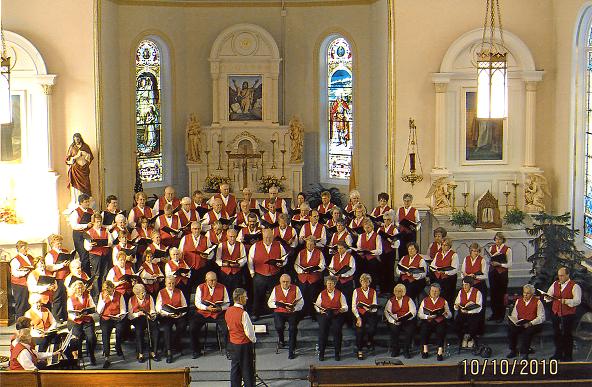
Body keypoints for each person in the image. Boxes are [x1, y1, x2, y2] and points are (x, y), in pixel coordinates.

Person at [248, 228, 287, 320]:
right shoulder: (255, 246)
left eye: (270, 237)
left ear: (273, 237)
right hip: (260, 275)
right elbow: (250, 260)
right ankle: (255, 313)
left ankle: (278, 315)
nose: (268, 239)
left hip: (275, 275)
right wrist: (252, 272)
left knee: (276, 296)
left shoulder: (279, 245)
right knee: (258, 295)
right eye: (266, 237)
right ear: (262, 236)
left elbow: (285, 258)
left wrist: (282, 263)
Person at [544, 267, 582, 361]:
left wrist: (566, 301)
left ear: (567, 275)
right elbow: (549, 294)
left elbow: (577, 301)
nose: (559, 277)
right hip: (556, 313)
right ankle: (558, 354)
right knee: (557, 334)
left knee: (567, 335)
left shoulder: (574, 286)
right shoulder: (555, 284)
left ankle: (568, 356)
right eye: (559, 275)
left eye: (562, 275)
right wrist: (547, 297)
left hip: (568, 314)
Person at [190, 272, 230, 358]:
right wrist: (207, 308)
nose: (213, 282)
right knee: (192, 328)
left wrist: (220, 308)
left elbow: (227, 303)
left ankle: (228, 350)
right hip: (203, 312)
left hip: (218, 313)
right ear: (206, 280)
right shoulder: (200, 287)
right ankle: (196, 351)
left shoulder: (222, 287)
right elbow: (197, 303)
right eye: (211, 280)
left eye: (215, 280)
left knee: (227, 329)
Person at [225, 288, 256, 387]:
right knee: (247, 370)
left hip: (233, 344)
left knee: (235, 369)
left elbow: (229, 326)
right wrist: (254, 340)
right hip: (244, 345)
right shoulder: (243, 313)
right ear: (240, 298)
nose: (247, 298)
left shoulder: (228, 310)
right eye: (245, 296)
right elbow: (249, 332)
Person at [267, 274, 303, 359]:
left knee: (292, 328)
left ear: (290, 282)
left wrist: (295, 308)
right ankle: (281, 339)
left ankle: (291, 350)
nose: (285, 284)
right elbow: (270, 303)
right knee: (279, 327)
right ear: (280, 282)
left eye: (287, 282)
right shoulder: (276, 289)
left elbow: (301, 302)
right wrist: (279, 306)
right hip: (280, 312)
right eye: (283, 282)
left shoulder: (296, 288)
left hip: (292, 312)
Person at [507, 284, 545, 360]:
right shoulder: (518, 301)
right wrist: (515, 321)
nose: (525, 295)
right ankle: (513, 350)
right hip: (521, 322)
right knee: (511, 330)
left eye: (527, 293)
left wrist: (530, 323)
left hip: (533, 323)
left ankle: (525, 353)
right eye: (524, 292)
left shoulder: (538, 302)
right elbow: (514, 314)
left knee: (527, 332)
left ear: (532, 294)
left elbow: (541, 317)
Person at [314, 276, 348, 361]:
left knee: (337, 331)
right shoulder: (322, 293)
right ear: (326, 284)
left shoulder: (340, 294)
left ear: (334, 284)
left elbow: (345, 306)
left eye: (331, 284)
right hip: (325, 314)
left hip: (336, 315)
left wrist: (342, 309)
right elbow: (317, 305)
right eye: (328, 283)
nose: (329, 285)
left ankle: (337, 352)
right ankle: (321, 352)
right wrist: (319, 310)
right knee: (322, 331)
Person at [156, 276, 188, 363]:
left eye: (173, 283)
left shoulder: (179, 292)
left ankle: (175, 342)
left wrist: (181, 313)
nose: (171, 285)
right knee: (167, 329)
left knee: (183, 325)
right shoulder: (161, 292)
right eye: (169, 283)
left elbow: (184, 306)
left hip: (178, 316)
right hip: (166, 316)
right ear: (165, 283)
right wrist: (168, 314)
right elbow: (158, 308)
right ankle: (169, 351)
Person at [418, 283, 452, 361]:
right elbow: (420, 314)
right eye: (432, 291)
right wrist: (427, 317)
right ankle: (425, 349)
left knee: (441, 330)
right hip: (428, 320)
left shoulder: (444, 301)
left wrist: (446, 314)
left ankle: (440, 351)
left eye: (436, 291)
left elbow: (450, 315)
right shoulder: (425, 300)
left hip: (439, 321)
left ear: (439, 292)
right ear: (429, 291)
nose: (434, 293)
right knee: (424, 329)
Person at [97, 280, 126, 368]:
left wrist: (120, 316)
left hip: (116, 318)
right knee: (105, 335)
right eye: (105, 290)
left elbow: (123, 309)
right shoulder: (102, 295)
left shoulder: (119, 295)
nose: (107, 292)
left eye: (109, 290)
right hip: (106, 318)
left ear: (113, 288)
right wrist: (103, 301)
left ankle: (118, 345)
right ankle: (107, 357)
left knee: (120, 329)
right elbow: (99, 311)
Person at [294, 237, 326, 319]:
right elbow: (296, 264)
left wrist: (315, 269)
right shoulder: (301, 252)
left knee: (313, 296)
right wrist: (302, 271)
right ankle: (302, 313)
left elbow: (322, 265)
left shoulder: (319, 253)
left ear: (315, 245)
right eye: (308, 244)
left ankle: (313, 314)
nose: (309, 246)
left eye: (311, 244)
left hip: (314, 277)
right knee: (302, 295)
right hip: (303, 277)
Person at [67, 280, 97, 365]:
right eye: (78, 288)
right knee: (77, 338)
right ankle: (79, 357)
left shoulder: (88, 296)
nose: (79, 290)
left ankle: (91, 354)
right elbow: (70, 313)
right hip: (76, 321)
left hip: (87, 320)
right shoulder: (70, 299)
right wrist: (76, 317)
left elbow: (93, 307)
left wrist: (89, 312)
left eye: (81, 288)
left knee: (91, 337)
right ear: (75, 289)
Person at [128, 283, 160, 362]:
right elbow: (130, 315)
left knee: (155, 330)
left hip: (148, 317)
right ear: (136, 293)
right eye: (141, 293)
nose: (144, 294)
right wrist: (138, 314)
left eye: (144, 292)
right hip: (138, 319)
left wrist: (151, 315)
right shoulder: (131, 299)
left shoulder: (149, 297)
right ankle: (140, 353)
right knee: (139, 331)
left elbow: (152, 309)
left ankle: (154, 352)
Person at [84, 213, 113, 297]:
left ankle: (104, 294)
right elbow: (86, 247)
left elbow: (110, 242)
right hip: (95, 255)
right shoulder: (89, 232)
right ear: (93, 222)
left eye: (100, 222)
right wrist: (91, 245)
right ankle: (96, 296)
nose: (99, 224)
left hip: (105, 254)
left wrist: (106, 243)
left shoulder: (106, 230)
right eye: (97, 222)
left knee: (104, 274)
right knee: (96, 275)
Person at [461, 243, 488, 334]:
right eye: (473, 251)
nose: (475, 253)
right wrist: (466, 276)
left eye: (477, 251)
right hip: (468, 286)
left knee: (479, 307)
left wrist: (475, 276)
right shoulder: (466, 259)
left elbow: (485, 275)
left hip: (479, 285)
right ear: (470, 251)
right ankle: (468, 330)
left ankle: (479, 330)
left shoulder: (482, 260)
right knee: (468, 306)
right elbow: (463, 272)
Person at [384, 284, 416, 358]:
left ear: (403, 292)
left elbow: (413, 312)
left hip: (407, 320)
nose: (397, 293)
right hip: (395, 320)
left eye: (399, 291)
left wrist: (405, 318)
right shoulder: (391, 300)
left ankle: (406, 350)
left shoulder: (408, 299)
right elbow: (387, 312)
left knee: (410, 330)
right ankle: (395, 349)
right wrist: (393, 321)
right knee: (394, 329)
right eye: (396, 291)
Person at [352, 273, 379, 360]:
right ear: (360, 282)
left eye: (367, 282)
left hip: (370, 313)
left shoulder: (373, 291)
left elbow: (375, 305)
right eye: (363, 282)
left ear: (369, 282)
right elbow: (353, 306)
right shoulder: (356, 291)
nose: (365, 284)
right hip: (359, 313)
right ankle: (360, 350)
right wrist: (358, 317)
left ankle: (369, 341)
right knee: (360, 330)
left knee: (372, 329)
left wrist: (370, 309)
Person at [44, 234, 70, 322]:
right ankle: (57, 318)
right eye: (57, 243)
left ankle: (66, 316)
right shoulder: (50, 254)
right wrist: (62, 265)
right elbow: (49, 267)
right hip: (57, 278)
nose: (59, 245)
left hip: (67, 276)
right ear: (52, 244)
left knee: (65, 297)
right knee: (57, 298)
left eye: (60, 243)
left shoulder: (65, 251)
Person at [179, 221, 211, 291]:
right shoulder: (184, 238)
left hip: (201, 268)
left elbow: (211, 253)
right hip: (188, 268)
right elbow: (180, 253)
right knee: (187, 289)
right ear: (191, 229)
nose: (197, 230)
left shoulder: (206, 239)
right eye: (195, 229)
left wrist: (207, 256)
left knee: (201, 289)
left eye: (198, 229)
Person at [488, 232, 512, 322]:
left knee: (501, 294)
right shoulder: (491, 248)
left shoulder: (507, 250)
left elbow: (509, 264)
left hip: (502, 274)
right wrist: (490, 262)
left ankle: (501, 315)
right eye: (496, 239)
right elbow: (489, 260)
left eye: (500, 239)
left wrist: (500, 264)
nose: (497, 241)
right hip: (493, 273)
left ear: (503, 240)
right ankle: (494, 314)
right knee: (493, 294)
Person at [216, 228, 247, 297]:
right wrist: (224, 264)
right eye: (231, 236)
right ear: (227, 236)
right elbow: (217, 259)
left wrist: (239, 264)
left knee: (236, 292)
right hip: (224, 273)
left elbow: (244, 258)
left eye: (234, 237)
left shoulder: (240, 245)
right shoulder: (221, 245)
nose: (232, 238)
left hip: (236, 272)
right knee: (225, 292)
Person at [429, 237, 458, 309]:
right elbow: (432, 265)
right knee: (438, 297)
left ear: (449, 246)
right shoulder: (438, 254)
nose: (444, 246)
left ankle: (449, 315)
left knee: (448, 298)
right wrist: (435, 269)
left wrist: (445, 272)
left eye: (446, 245)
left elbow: (455, 270)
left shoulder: (454, 255)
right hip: (439, 278)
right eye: (442, 245)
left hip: (449, 279)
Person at [454, 277, 483, 349]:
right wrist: (457, 306)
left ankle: (471, 338)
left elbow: (479, 308)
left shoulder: (477, 292)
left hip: (473, 314)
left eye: (466, 285)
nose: (464, 286)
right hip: (462, 313)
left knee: (473, 325)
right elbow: (456, 303)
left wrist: (469, 311)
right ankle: (463, 338)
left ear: (471, 285)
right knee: (456, 323)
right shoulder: (461, 292)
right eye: (463, 285)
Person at [69, 193, 94, 274]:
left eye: (88, 202)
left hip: (88, 235)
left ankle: (89, 275)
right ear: (80, 203)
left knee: (90, 255)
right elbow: (74, 225)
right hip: (79, 236)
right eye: (86, 202)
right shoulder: (75, 212)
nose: (88, 203)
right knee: (84, 256)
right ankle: (85, 275)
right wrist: (86, 225)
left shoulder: (91, 211)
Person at [66, 133, 94, 203]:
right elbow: (67, 159)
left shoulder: (85, 146)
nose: (77, 141)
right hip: (75, 170)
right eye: (75, 139)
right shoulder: (72, 147)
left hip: (84, 170)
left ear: (80, 138)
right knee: (76, 188)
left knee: (86, 185)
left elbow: (90, 157)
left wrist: (85, 154)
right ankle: (77, 202)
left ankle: (86, 202)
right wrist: (75, 157)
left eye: (78, 139)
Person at [327, 241, 356, 309]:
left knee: (347, 298)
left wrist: (342, 275)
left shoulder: (350, 257)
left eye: (341, 248)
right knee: (337, 299)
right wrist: (334, 275)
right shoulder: (334, 257)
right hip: (337, 282)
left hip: (347, 282)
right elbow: (331, 268)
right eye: (338, 248)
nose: (339, 250)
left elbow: (352, 270)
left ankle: (347, 316)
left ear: (345, 249)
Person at [355, 218, 383, 289]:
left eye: (368, 227)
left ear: (372, 227)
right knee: (360, 275)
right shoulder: (361, 236)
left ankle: (372, 291)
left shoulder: (377, 236)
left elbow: (379, 250)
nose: (366, 229)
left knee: (372, 276)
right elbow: (358, 247)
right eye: (365, 227)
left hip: (372, 259)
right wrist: (359, 251)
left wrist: (370, 251)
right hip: (362, 258)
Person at [11, 241, 35, 318]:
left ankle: (28, 322)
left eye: (27, 247)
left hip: (29, 283)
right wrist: (25, 272)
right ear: (20, 248)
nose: (27, 249)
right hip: (19, 285)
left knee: (28, 303)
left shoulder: (30, 257)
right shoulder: (15, 260)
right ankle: (20, 323)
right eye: (25, 247)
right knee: (21, 304)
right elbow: (15, 273)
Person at [378, 211, 399, 293]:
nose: (386, 221)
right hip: (382, 252)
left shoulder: (394, 230)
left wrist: (392, 241)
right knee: (382, 270)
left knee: (390, 270)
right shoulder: (380, 229)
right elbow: (377, 240)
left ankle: (390, 290)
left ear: (391, 220)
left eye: (388, 219)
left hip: (390, 252)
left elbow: (397, 243)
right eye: (385, 219)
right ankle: (383, 290)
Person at [396, 193, 420, 257]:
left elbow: (418, 223)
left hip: (411, 234)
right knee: (401, 250)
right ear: (403, 201)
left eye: (408, 201)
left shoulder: (415, 211)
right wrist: (399, 225)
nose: (406, 202)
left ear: (411, 201)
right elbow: (396, 221)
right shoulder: (399, 210)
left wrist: (415, 229)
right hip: (402, 233)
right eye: (405, 201)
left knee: (411, 250)